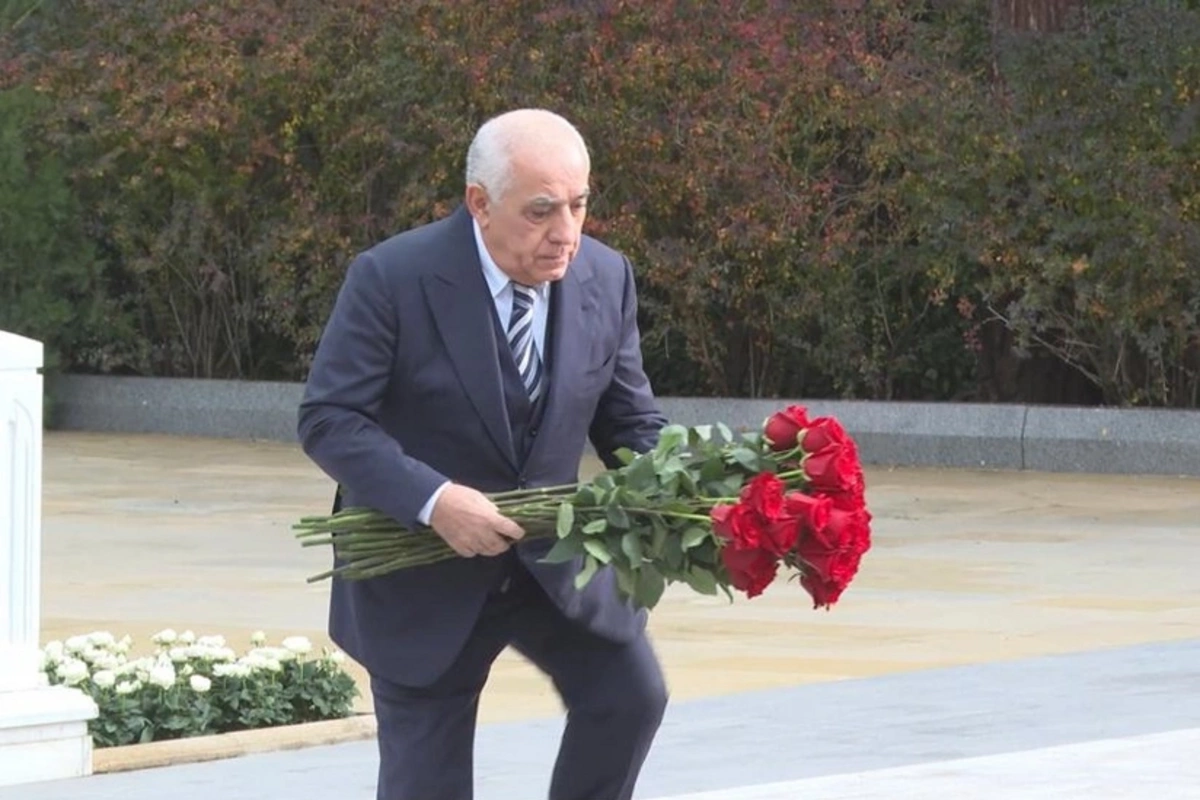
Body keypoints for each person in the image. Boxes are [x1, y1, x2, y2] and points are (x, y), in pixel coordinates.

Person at [297, 108, 670, 800]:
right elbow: (330, 419)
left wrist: (691, 488)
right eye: (541, 211)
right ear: (480, 203)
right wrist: (434, 501)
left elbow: (629, 420)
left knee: (631, 697)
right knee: (427, 785)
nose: (566, 233)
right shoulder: (392, 277)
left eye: (579, 205)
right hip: (422, 570)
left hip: (552, 564)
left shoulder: (605, 277)